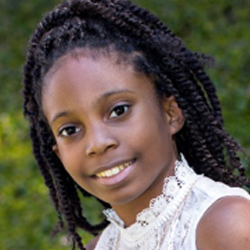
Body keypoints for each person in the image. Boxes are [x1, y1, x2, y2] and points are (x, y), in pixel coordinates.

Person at [22, 0, 250, 249]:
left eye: (119, 111)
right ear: (58, 153)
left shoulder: (226, 224)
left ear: (170, 113)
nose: (97, 143)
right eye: (70, 130)